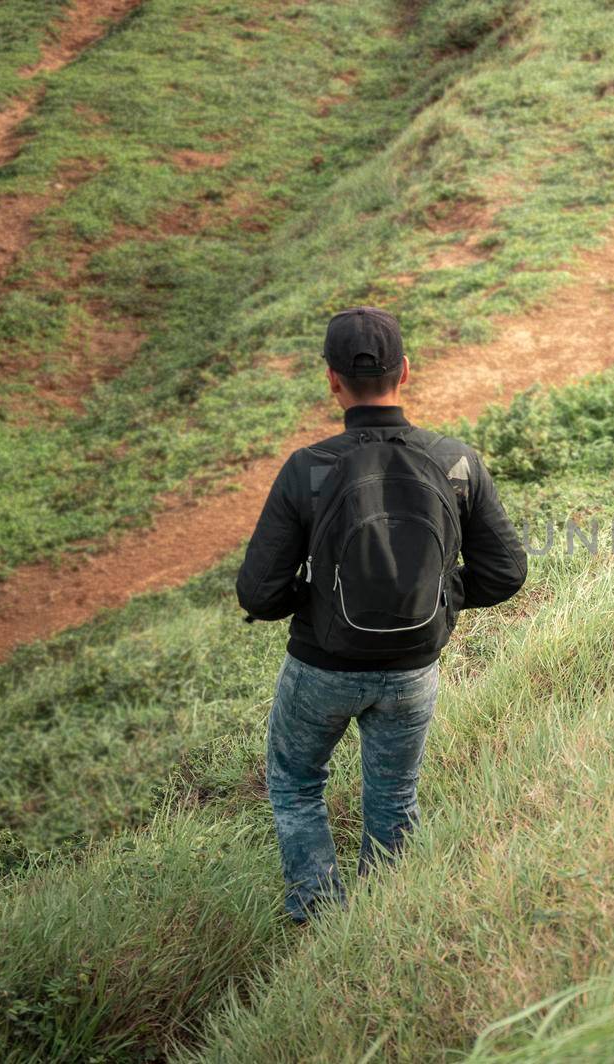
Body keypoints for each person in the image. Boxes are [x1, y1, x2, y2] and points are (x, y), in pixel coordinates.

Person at [236, 306, 526, 923]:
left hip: (322, 663)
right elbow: (506, 574)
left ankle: (318, 923)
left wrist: (313, 603)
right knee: (394, 798)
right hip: (413, 671)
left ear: (332, 380)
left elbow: (258, 593)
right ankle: (382, 927)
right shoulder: (456, 463)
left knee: (294, 783)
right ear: (407, 371)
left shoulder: (307, 470)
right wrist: (436, 600)